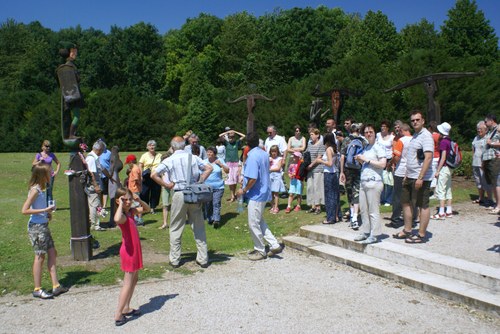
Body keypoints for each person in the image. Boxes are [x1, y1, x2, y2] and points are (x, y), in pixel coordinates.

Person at [151, 136, 213, 268]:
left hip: (179, 192)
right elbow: (209, 168)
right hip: (194, 193)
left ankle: (175, 259)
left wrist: (166, 185)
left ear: (172, 147)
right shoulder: (193, 158)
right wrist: (200, 180)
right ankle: (203, 258)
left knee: (176, 226)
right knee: (198, 226)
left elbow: (153, 174)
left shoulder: (169, 159)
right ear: (184, 146)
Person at [21, 164, 68, 299]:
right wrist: (44, 211)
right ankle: (37, 289)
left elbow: (39, 207)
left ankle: (56, 286)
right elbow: (24, 210)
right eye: (49, 172)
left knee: (52, 253)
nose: (52, 174)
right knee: (40, 256)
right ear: (42, 175)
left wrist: (47, 214)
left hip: (43, 226)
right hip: (36, 227)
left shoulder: (42, 189)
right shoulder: (35, 190)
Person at [237, 132, 283, 261]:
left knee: (253, 223)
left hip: (256, 193)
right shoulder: (264, 153)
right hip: (264, 191)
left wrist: (244, 189)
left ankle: (260, 250)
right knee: (259, 220)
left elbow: (252, 178)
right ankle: (274, 244)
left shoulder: (252, 156)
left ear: (247, 144)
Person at [393, 110, 434, 244]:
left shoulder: (426, 136)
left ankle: (421, 234)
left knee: (423, 205)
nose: (415, 122)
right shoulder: (415, 136)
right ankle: (407, 230)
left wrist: (420, 177)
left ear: (423, 121)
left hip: (420, 177)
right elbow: (412, 158)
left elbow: (428, 158)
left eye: (417, 119)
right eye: (413, 120)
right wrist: (406, 175)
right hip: (409, 176)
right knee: (405, 202)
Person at [113, 187, 150, 326]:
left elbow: (147, 209)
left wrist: (138, 200)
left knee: (134, 279)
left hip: (135, 250)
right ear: (119, 201)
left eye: (129, 199)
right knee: (127, 283)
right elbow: (116, 218)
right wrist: (121, 204)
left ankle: (127, 307)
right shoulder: (122, 216)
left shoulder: (131, 213)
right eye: (125, 199)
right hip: (128, 252)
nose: (128, 202)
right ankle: (118, 314)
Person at [353, 124, 387, 244]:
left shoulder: (379, 147)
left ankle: (375, 233)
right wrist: (361, 160)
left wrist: (366, 160)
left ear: (374, 133)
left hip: (374, 181)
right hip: (364, 181)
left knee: (373, 209)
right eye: (366, 132)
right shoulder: (366, 147)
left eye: (371, 132)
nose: (368, 134)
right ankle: (366, 231)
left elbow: (383, 164)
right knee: (364, 209)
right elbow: (367, 164)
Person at [339, 123, 367, 229]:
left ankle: (352, 216)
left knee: (349, 192)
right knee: (357, 192)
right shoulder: (363, 141)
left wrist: (341, 172)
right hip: (358, 169)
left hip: (347, 169)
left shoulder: (346, 140)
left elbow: (342, 157)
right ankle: (355, 216)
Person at [389, 123, 413, 228]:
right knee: (410, 197)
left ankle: (395, 219)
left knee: (397, 196)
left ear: (402, 130)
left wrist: (390, 163)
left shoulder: (401, 141)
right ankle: (411, 218)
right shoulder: (414, 140)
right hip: (411, 172)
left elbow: (397, 157)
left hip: (400, 171)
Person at [315, 133, 340, 224]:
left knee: (329, 196)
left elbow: (329, 163)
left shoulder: (329, 150)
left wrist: (320, 160)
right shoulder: (334, 149)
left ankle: (330, 218)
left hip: (329, 173)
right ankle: (336, 215)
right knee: (335, 195)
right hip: (334, 173)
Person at [431, 122, 454, 219]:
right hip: (449, 168)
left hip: (444, 168)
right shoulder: (450, 141)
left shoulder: (443, 142)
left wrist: (437, 170)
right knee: (448, 189)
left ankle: (441, 213)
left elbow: (443, 157)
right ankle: (448, 211)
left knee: (441, 190)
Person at [203, 147, 229, 228]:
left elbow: (227, 170)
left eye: (210, 152)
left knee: (216, 203)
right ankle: (210, 218)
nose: (209, 154)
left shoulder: (220, 160)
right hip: (206, 187)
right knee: (208, 204)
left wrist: (220, 164)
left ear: (214, 153)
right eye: (208, 152)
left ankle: (216, 220)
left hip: (218, 186)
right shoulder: (204, 162)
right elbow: (200, 173)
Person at [32, 140, 61, 204]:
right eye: (46, 146)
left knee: (49, 191)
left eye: (49, 146)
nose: (48, 148)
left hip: (50, 174)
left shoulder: (52, 155)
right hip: (41, 175)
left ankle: (50, 206)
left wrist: (56, 172)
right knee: (41, 190)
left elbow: (58, 163)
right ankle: (43, 205)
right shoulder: (39, 155)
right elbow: (33, 164)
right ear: (43, 146)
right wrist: (39, 161)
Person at [85, 140, 105, 231]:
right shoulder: (92, 158)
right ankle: (95, 224)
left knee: (95, 204)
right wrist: (96, 185)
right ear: (99, 149)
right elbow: (91, 173)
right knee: (95, 204)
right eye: (103, 150)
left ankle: (94, 222)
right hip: (93, 185)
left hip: (93, 184)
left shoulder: (93, 157)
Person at [482, 114, 500, 214]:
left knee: (496, 182)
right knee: (492, 183)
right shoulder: (490, 131)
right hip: (488, 158)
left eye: (486, 121)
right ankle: (495, 203)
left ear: (491, 121)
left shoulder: (498, 129)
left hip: (495, 158)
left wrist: (491, 143)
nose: (485, 123)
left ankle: (498, 206)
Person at [305, 128, 326, 214]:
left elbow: (319, 157)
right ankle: (312, 205)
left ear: (317, 135)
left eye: (312, 134)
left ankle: (318, 206)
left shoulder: (321, 144)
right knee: (310, 187)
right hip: (310, 169)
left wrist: (311, 165)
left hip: (318, 168)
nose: (311, 136)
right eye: (310, 135)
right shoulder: (309, 144)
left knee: (317, 187)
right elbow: (306, 153)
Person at [472, 121, 492, 205]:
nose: (479, 130)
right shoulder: (476, 138)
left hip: (483, 164)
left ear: (486, 130)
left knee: (486, 182)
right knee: (478, 181)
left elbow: (488, 151)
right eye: (478, 129)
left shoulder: (488, 138)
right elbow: (473, 148)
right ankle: (481, 198)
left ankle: (490, 199)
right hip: (475, 163)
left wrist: (484, 163)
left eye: (480, 129)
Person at [139, 140, 162, 214]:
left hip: (157, 176)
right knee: (144, 192)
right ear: (147, 147)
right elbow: (140, 165)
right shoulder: (144, 155)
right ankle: (145, 207)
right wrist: (140, 175)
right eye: (150, 145)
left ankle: (153, 208)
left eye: (153, 145)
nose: (152, 147)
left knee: (155, 192)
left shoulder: (159, 155)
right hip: (146, 176)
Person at [376, 120, 395, 206]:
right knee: (380, 179)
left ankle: (389, 199)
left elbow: (393, 149)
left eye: (384, 126)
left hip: (389, 159)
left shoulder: (391, 137)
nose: (383, 128)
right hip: (380, 159)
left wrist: (392, 162)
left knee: (389, 180)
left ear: (388, 128)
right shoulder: (378, 135)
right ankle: (381, 198)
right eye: (382, 126)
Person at [125, 154, 143, 225]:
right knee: (135, 204)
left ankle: (139, 220)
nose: (128, 165)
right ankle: (136, 218)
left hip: (134, 189)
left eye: (128, 163)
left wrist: (139, 184)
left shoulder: (135, 169)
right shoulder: (134, 168)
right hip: (133, 189)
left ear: (131, 162)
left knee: (136, 204)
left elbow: (136, 179)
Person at [108, 146, 123, 228]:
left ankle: (114, 219)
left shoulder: (114, 157)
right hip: (114, 180)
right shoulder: (114, 157)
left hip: (114, 179)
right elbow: (111, 169)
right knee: (114, 200)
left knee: (114, 200)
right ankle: (114, 220)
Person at [269, 145, 286, 214]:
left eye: (275, 151)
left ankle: (276, 206)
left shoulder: (279, 159)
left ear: (277, 152)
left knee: (276, 192)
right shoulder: (269, 158)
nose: (273, 153)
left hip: (276, 176)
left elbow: (278, 168)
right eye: (272, 151)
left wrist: (269, 169)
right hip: (270, 176)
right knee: (270, 193)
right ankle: (272, 206)